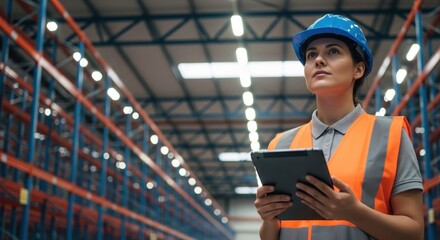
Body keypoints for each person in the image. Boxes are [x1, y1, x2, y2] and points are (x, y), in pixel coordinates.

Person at [254, 14, 424, 240]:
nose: (319, 60)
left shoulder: (390, 135)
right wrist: (269, 219)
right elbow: (271, 236)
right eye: (311, 54)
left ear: (358, 69)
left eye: (333, 51)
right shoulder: (280, 144)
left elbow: (414, 233)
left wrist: (354, 213)